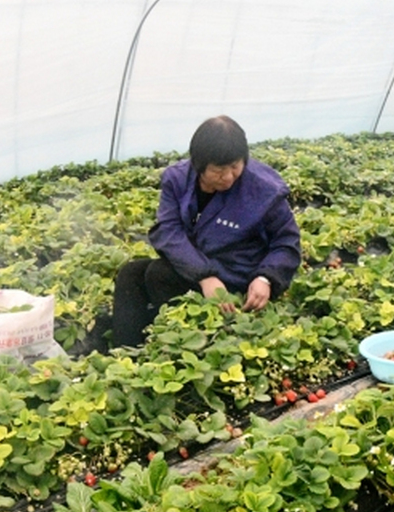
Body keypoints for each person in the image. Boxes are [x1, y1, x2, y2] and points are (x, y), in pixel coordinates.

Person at [110, 116, 302, 348]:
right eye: (219, 170)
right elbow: (168, 230)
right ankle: (124, 352)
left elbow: (286, 241)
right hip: (199, 264)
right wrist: (204, 276)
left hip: (239, 272)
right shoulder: (177, 179)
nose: (228, 177)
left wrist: (266, 278)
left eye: (235, 166)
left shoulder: (264, 190)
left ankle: (193, 342)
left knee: (159, 275)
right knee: (130, 273)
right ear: (199, 165)